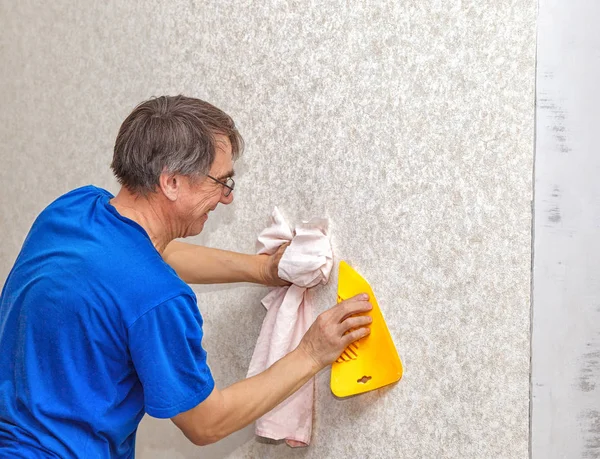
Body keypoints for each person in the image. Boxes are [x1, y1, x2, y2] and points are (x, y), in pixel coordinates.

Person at [0, 95, 372, 457]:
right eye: (222, 182)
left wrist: (262, 268)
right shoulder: (157, 298)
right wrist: (310, 353)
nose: (226, 198)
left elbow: (151, 254)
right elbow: (206, 423)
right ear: (171, 182)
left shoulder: (72, 210)